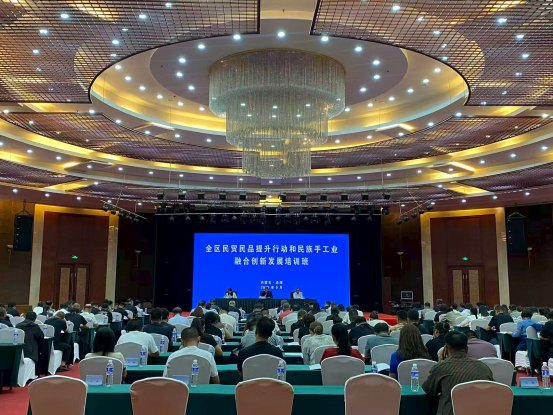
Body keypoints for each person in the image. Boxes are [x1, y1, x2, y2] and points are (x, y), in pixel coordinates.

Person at [422, 332, 493, 415]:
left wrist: (441, 361)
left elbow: (427, 390)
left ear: (446, 349)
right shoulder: (483, 367)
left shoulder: (441, 367)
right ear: (467, 349)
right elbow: (492, 390)